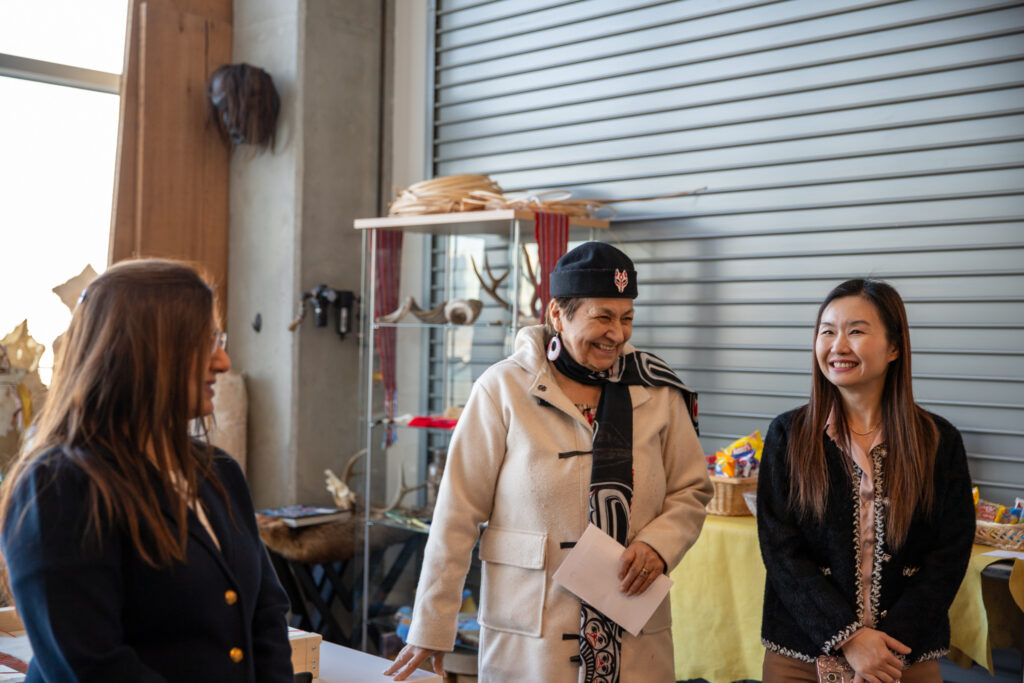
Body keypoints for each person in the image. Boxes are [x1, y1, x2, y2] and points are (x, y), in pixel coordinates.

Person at [385, 242, 712, 682]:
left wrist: (659, 545)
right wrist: (432, 625)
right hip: (530, 637)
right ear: (558, 314)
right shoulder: (502, 389)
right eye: (603, 317)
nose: (617, 334)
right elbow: (456, 515)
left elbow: (692, 489)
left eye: (626, 318)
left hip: (634, 638)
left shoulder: (658, 391)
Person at [0, 259, 294, 682]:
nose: (223, 361)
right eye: (207, 343)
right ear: (145, 353)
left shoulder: (219, 472)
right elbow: (95, 665)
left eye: (220, 340)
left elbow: (266, 614)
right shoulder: (59, 486)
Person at [757, 279, 975, 683]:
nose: (837, 346)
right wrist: (850, 638)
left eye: (856, 331)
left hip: (904, 660)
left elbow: (948, 555)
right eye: (827, 331)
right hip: (802, 659)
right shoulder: (789, 435)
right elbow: (781, 551)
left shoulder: (938, 441)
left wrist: (883, 651)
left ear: (894, 348)